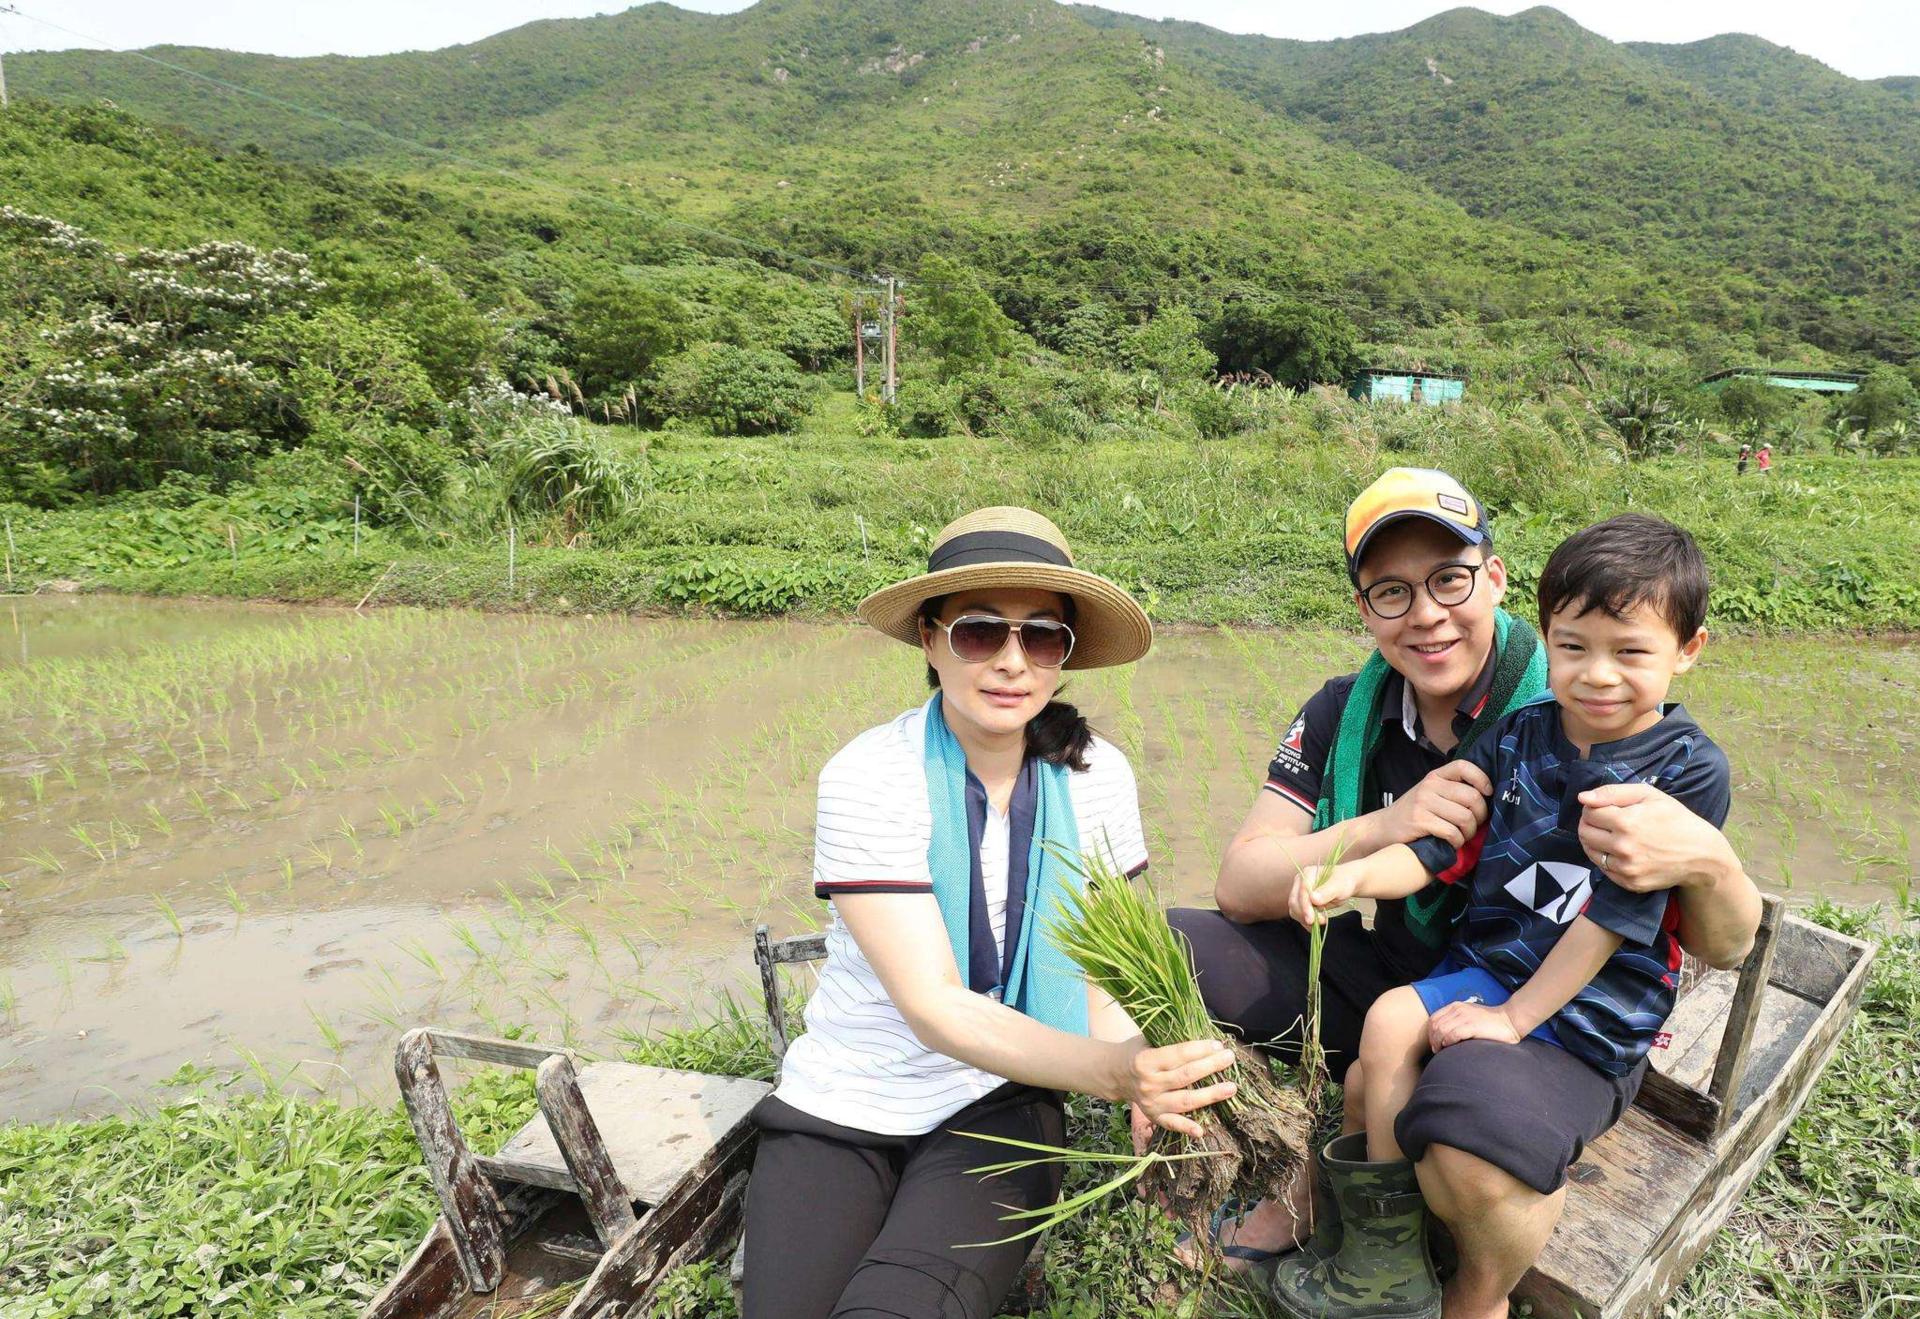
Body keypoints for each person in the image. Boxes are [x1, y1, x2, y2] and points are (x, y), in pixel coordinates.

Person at [1166, 467, 1762, 1319]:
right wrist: (1368, 844)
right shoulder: (1430, 721)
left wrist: (1514, 1017)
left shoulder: (1640, 750)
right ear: (1364, 608)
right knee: (1257, 977)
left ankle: (1469, 1287)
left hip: (1561, 1001)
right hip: (1447, 967)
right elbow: (1275, 876)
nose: (1426, 613)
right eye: (1392, 591)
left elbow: (1679, 931)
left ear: (1496, 578)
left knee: (1456, 1121)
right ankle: (1376, 1241)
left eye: (1449, 577)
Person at [741, 506, 1238, 1319]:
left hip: (1003, 1097)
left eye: (1041, 636)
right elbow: (933, 1005)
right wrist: (1116, 1073)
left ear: (1063, 655)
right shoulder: (871, 774)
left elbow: (1101, 969)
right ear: (930, 640)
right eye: (980, 632)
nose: (1012, 661)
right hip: (845, 1097)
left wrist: (1140, 1067)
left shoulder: (1096, 778)